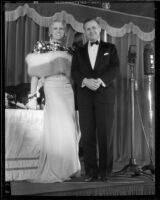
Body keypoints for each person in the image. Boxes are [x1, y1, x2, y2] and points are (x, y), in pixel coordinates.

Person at [25, 19, 81, 183]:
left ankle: (69, 167)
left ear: (64, 32)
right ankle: (57, 168)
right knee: (57, 126)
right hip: (52, 87)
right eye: (55, 28)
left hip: (67, 90)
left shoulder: (69, 50)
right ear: (50, 31)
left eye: (61, 29)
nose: (58, 31)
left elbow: (73, 76)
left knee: (69, 127)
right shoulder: (41, 46)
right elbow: (35, 74)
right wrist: (33, 97)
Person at [71, 18, 119, 182]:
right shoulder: (78, 51)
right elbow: (74, 71)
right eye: (88, 29)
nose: (91, 31)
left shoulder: (110, 48)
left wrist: (99, 81)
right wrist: (85, 81)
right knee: (88, 136)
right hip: (84, 98)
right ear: (85, 32)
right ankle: (91, 172)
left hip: (104, 96)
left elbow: (115, 68)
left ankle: (105, 171)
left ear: (99, 29)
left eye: (93, 28)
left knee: (105, 135)